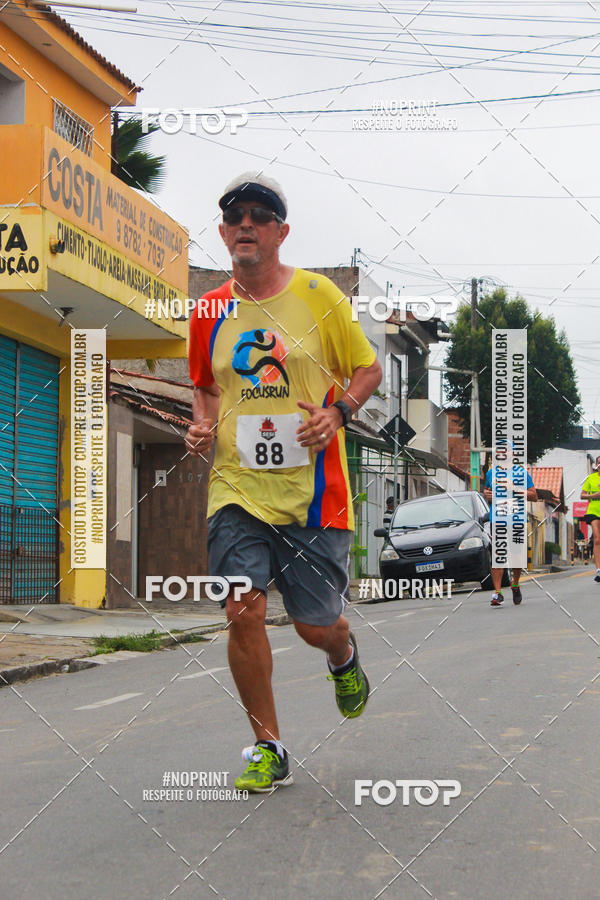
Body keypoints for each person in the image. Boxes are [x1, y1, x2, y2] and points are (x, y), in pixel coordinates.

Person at [185, 172, 383, 792]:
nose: (246, 224)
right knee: (241, 609)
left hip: (313, 492)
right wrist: (200, 425)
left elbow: (368, 369)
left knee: (313, 626)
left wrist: (339, 413)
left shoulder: (320, 296)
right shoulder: (208, 311)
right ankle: (267, 747)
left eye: (259, 216)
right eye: (235, 216)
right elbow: (206, 388)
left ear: (280, 232)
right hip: (237, 490)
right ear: (222, 233)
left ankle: (342, 653)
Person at [483, 447, 538, 606]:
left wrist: (514, 488)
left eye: (505, 451)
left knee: (515, 556)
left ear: (512, 454)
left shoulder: (521, 473)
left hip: (516, 518)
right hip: (497, 518)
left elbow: (534, 496)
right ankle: (497, 593)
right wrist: (487, 495)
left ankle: (515, 584)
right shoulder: (490, 473)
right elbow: (487, 492)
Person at [580, 456, 600, 583]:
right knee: (597, 538)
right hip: (593, 510)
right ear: (596, 465)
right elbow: (582, 495)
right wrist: (595, 495)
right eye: (599, 463)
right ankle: (598, 569)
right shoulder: (591, 478)